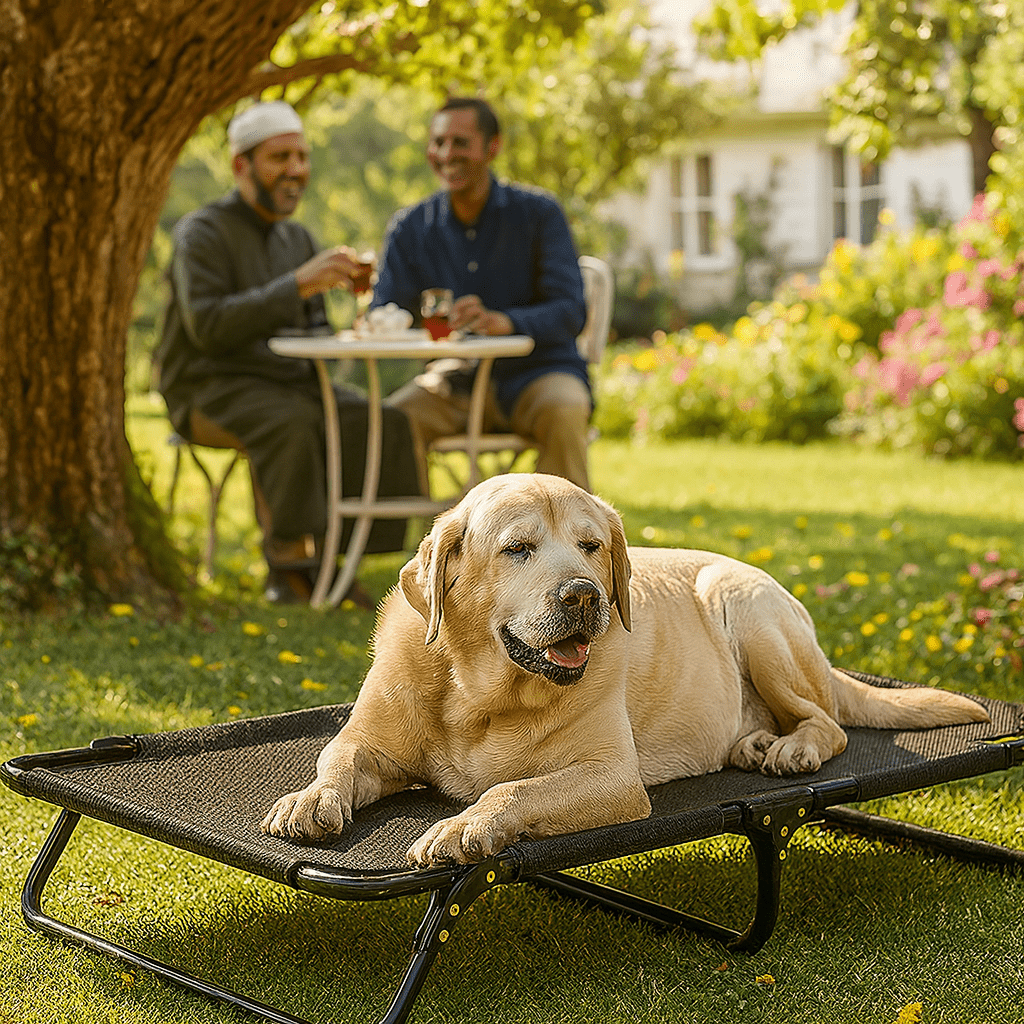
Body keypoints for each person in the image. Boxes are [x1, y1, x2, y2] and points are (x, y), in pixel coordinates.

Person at [156, 101, 420, 604]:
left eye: (301, 157)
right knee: (292, 423)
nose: (296, 169)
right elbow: (207, 327)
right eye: (280, 158)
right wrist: (297, 284)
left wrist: (343, 321)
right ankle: (290, 563)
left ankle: (345, 554)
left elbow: (314, 328)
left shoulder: (296, 237)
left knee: (381, 419)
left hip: (290, 383)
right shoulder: (201, 232)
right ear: (241, 165)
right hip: (207, 390)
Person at [373, 96, 592, 493]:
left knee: (565, 408)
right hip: (454, 381)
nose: (446, 154)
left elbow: (570, 310)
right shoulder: (410, 227)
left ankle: (566, 530)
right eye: (438, 143)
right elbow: (387, 308)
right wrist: (384, 320)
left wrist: (505, 322)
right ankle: (421, 531)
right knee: (394, 419)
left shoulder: (539, 214)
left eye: (460, 142)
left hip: (539, 375)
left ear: (493, 147)